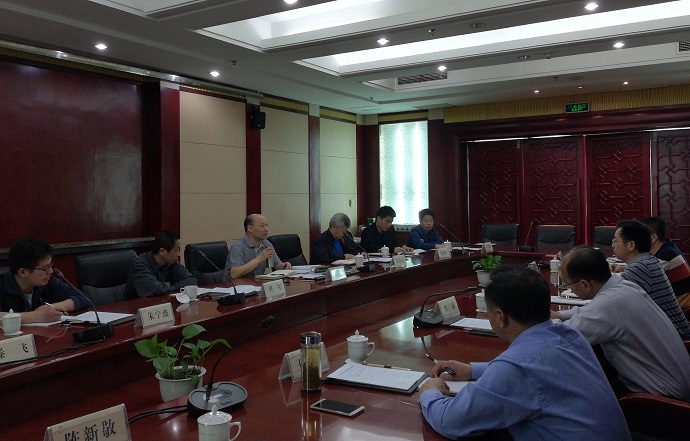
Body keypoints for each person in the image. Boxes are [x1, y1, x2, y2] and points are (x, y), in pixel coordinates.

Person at [419, 265, 630, 440]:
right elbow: (535, 371)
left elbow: (451, 421)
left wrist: (430, 392)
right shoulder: (569, 334)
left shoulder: (518, 367)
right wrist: (471, 370)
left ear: (500, 316)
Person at [553, 246, 690, 400]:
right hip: (676, 382)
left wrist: (538, 320)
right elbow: (592, 311)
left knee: (573, 386)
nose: (569, 288)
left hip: (659, 400)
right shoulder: (625, 287)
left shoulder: (609, 304)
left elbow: (561, 337)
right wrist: (559, 314)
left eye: (568, 284)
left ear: (585, 284)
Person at [610, 219, 690, 338]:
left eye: (615, 240)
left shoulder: (649, 263)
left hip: (672, 335)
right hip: (670, 329)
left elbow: (611, 299)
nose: (612, 244)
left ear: (631, 245)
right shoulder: (649, 260)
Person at [0, 238, 89, 323]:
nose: (51, 271)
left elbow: (84, 298)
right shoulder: (2, 284)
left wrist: (50, 307)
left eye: (50, 265)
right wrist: (36, 316)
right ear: (23, 272)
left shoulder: (48, 282)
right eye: (45, 268)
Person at [125, 230, 196, 299]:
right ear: (162, 251)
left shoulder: (172, 262)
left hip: (161, 303)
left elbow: (191, 281)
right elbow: (153, 289)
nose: (179, 254)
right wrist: (173, 285)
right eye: (176, 250)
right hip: (136, 305)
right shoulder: (140, 264)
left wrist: (169, 287)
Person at [642, 216, 690, 308]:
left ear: (653, 238)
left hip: (682, 302)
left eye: (641, 236)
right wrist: (622, 268)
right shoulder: (666, 245)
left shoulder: (666, 255)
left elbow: (644, 275)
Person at [225, 214, 292, 278]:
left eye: (266, 225)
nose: (266, 229)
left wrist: (283, 266)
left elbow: (277, 265)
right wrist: (260, 258)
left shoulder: (266, 243)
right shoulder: (238, 246)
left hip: (257, 282)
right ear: (250, 228)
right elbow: (234, 274)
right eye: (262, 226)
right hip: (236, 285)